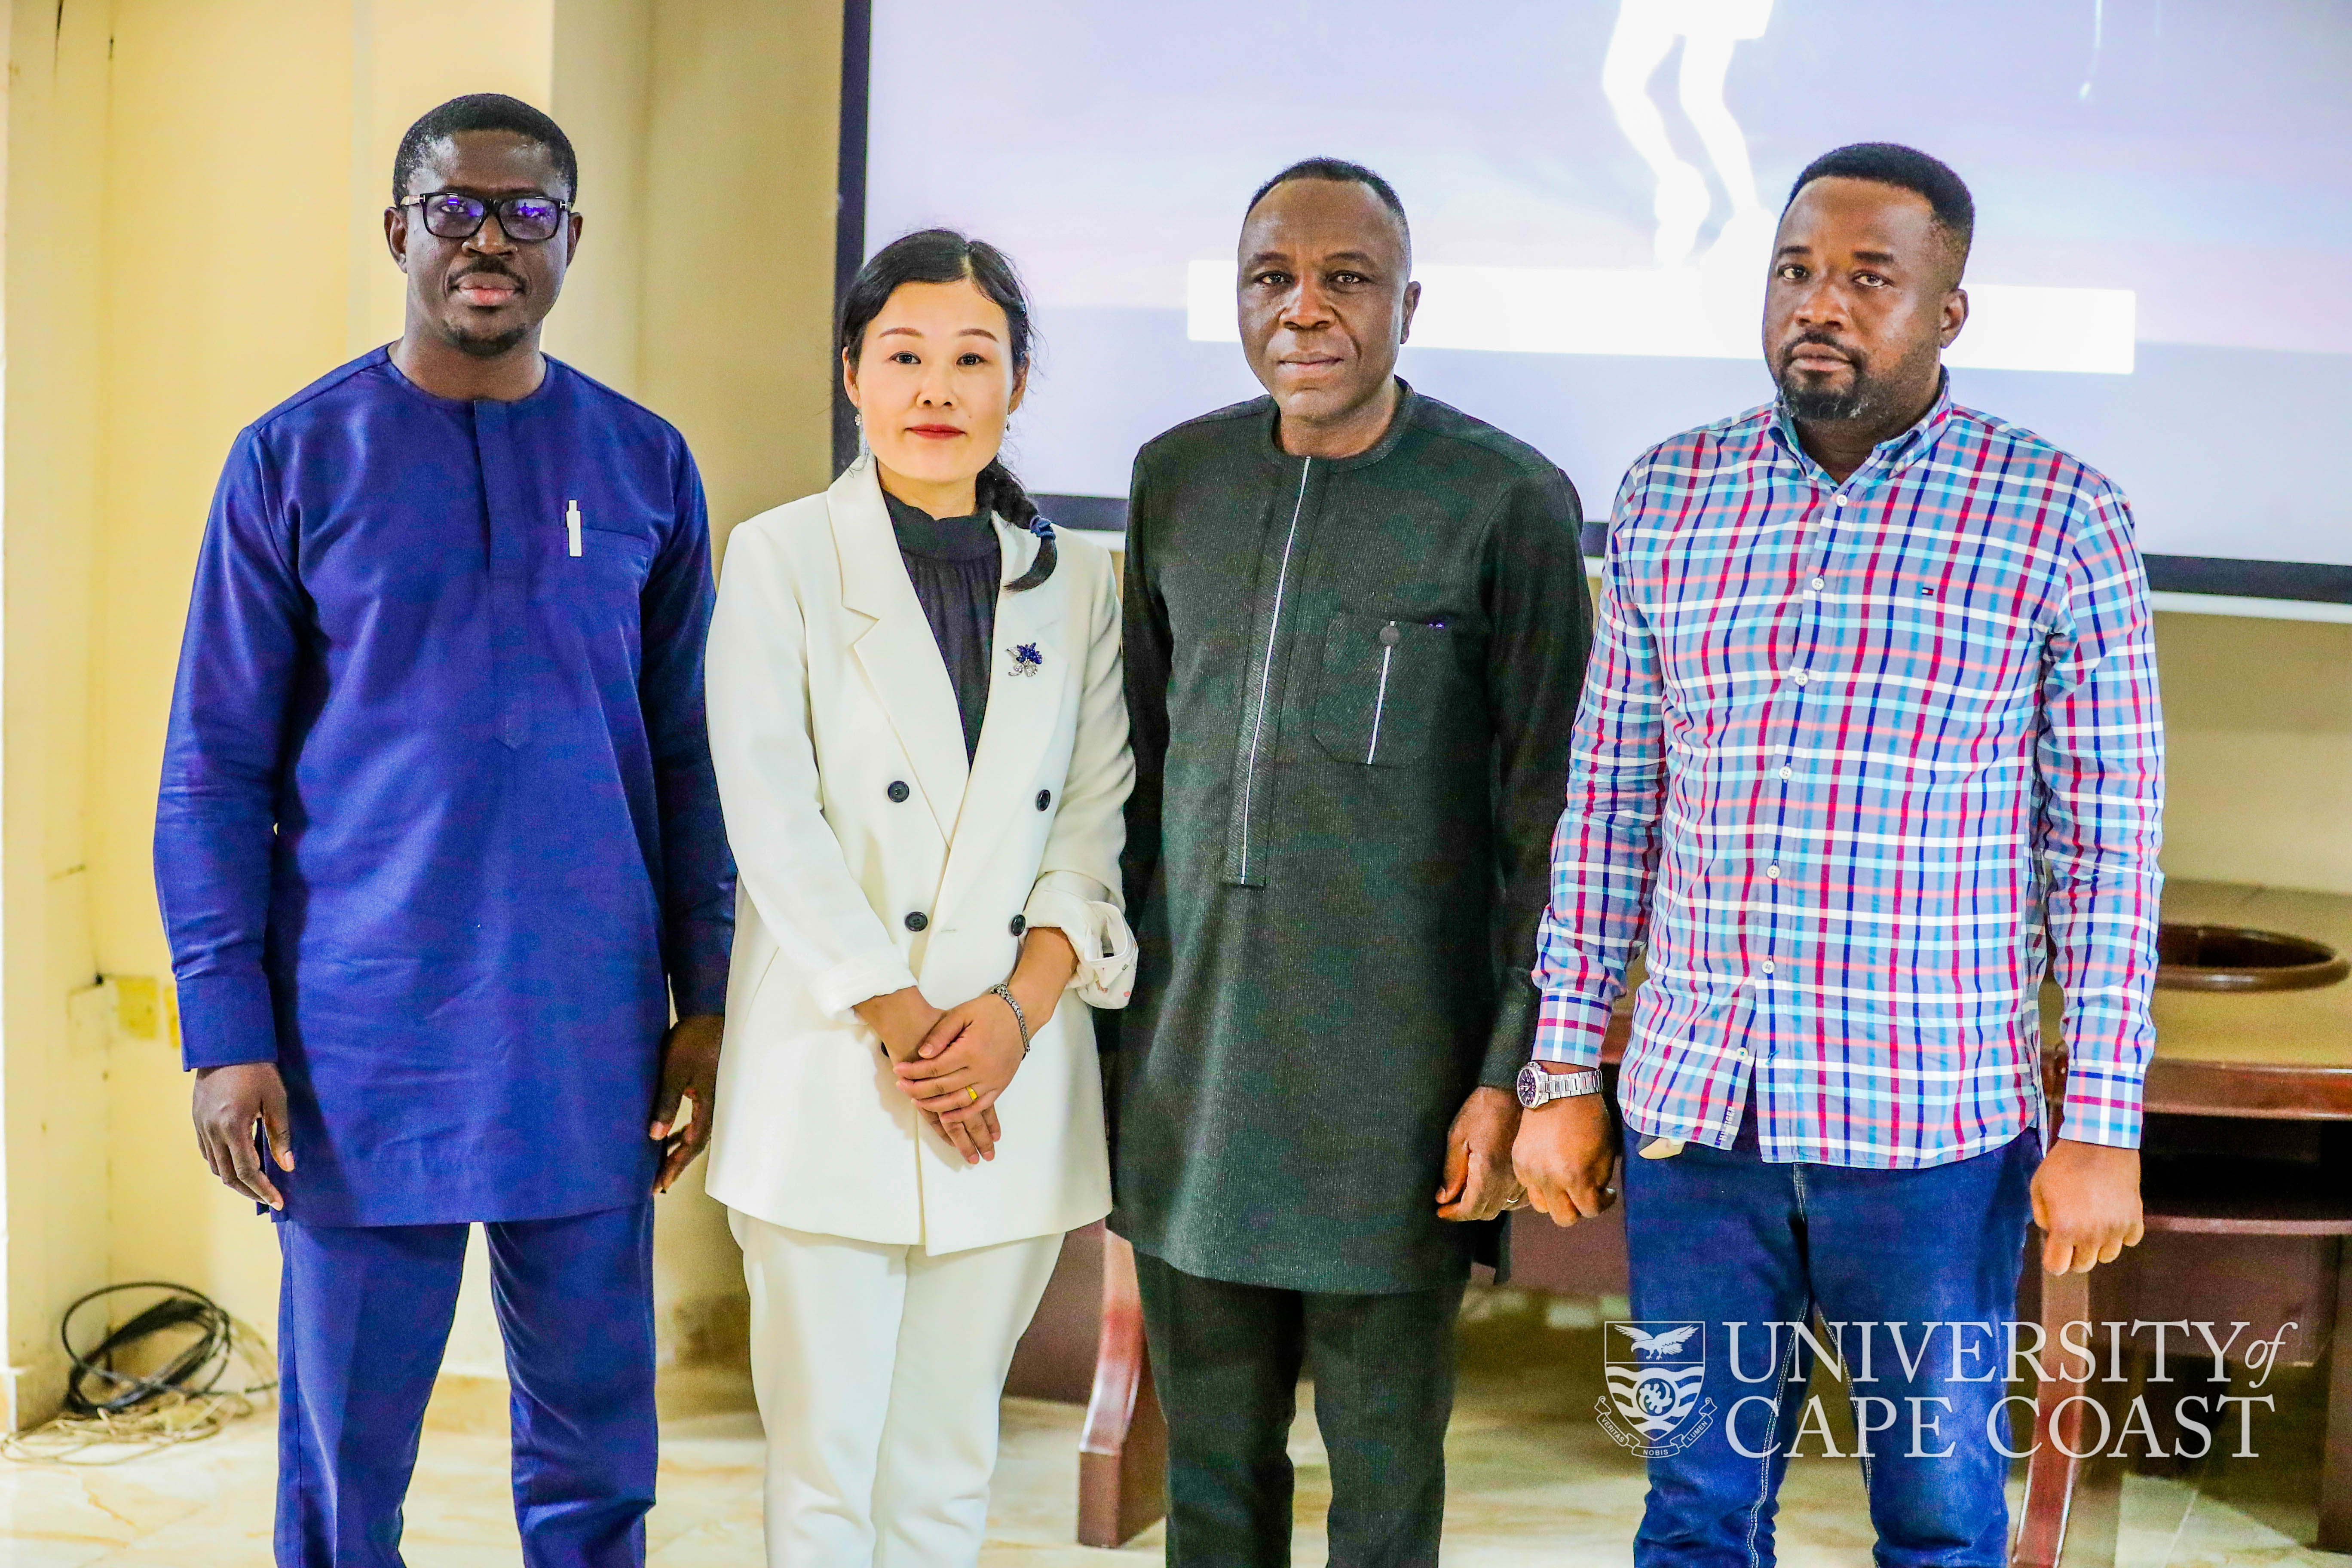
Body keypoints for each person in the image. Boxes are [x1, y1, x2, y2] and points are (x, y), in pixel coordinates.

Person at [1514, 142, 2158, 1568]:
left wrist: (2104, 1119)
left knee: (1936, 1520)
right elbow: (1609, 805)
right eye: (1796, 271)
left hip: (1931, 1136)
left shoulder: (2059, 516)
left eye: (1870, 278)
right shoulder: (1672, 493)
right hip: (1698, 1121)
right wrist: (1562, 1073)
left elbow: (2108, 851)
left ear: (1949, 311)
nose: (1820, 303)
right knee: (1695, 1512)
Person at [154, 94, 732, 1568]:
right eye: (454, 208)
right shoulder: (294, 459)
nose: (489, 240)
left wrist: (708, 999)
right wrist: (226, 1034)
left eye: (525, 213)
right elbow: (213, 772)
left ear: (571, 238)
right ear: (397, 230)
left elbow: (690, 761)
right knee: (345, 1466)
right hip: (358, 1042)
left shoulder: (644, 463)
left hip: (586, 1036)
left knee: (598, 1455)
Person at [1115, 159, 1592, 1567]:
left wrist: (1509, 1072)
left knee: (1383, 1493)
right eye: (1272, 278)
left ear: (1408, 306)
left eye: (1347, 280)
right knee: (1212, 1488)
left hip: (1400, 1098)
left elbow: (1551, 824)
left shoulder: (1505, 499)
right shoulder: (1177, 479)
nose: (1305, 310)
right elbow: (1134, 788)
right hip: (1193, 1079)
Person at [700, 229, 1134, 1568]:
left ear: (1017, 384)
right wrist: (906, 1026)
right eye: (903, 356)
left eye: (973, 358)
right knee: (823, 1481)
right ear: (852, 374)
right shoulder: (779, 557)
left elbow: (1094, 816)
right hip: (836, 1071)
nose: (936, 388)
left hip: (1013, 1081)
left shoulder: (1077, 582)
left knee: (948, 1474)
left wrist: (1013, 1017)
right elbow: (772, 820)